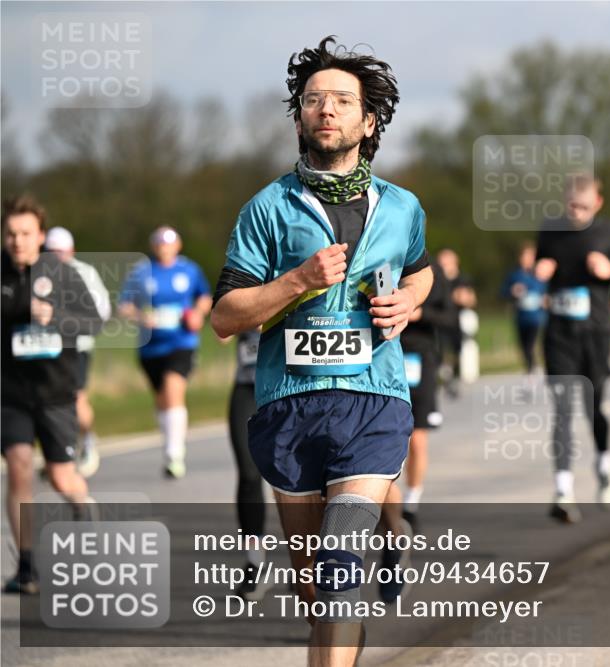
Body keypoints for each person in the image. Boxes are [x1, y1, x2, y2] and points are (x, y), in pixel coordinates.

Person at [210, 36, 432, 667]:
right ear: (299, 118)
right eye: (312, 100)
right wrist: (298, 281)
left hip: (373, 402)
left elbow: (421, 272)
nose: (326, 109)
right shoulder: (267, 208)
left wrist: (408, 301)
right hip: (290, 405)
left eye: (341, 100)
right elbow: (225, 317)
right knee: (318, 595)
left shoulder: (403, 208)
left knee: (340, 566)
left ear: (369, 121)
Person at [1, 195, 102, 594]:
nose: (17, 241)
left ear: (40, 235)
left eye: (25, 233)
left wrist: (55, 317)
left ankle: (82, 506)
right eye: (11, 234)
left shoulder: (62, 274)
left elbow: (94, 323)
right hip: (11, 395)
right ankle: (27, 567)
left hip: (57, 393)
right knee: (19, 466)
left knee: (61, 476)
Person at [535, 174, 610, 522]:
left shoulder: (609, 232)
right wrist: (541, 269)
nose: (576, 212)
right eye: (571, 205)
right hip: (559, 333)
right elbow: (540, 264)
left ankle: (604, 463)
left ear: (598, 203)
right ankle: (563, 490)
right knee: (562, 409)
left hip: (596, 332)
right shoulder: (551, 231)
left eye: (584, 206)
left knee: (594, 407)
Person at [119, 226, 212, 479]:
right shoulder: (141, 272)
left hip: (181, 342)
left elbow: (205, 297)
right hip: (150, 347)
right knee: (162, 399)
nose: (164, 248)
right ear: (154, 246)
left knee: (173, 389)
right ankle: (170, 443)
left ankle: (174, 454)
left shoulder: (189, 269)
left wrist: (197, 314)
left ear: (177, 245)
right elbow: (124, 305)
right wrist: (141, 316)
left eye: (169, 243)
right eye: (160, 243)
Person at [43, 226, 111, 478]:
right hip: (42, 350)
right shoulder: (36, 273)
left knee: (76, 399)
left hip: (76, 348)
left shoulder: (84, 273)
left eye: (60, 251)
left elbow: (101, 314)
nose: (56, 256)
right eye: (50, 251)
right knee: (46, 403)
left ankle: (88, 439)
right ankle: (57, 455)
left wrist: (66, 320)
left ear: (71, 250)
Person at [398, 260, 451, 531]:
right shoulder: (378, 255)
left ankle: (410, 504)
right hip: (382, 355)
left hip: (420, 358)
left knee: (417, 440)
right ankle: (383, 504)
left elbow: (449, 317)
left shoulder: (433, 271)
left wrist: (419, 312)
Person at [219, 326, 269, 601]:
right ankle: (255, 562)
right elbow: (222, 333)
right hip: (248, 383)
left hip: (293, 382)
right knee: (249, 474)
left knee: (303, 478)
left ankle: (308, 561)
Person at [436, 248, 477, 395]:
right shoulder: (436, 279)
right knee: (439, 349)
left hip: (456, 321)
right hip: (439, 320)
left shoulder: (462, 280)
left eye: (447, 262)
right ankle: (444, 373)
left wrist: (463, 298)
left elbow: (472, 300)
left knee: (456, 349)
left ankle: (454, 375)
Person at [501, 243, 546, 373]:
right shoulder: (514, 276)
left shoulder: (540, 275)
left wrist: (545, 299)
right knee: (524, 346)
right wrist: (512, 291)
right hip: (521, 317)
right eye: (525, 256)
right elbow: (502, 292)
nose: (527, 259)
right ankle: (530, 368)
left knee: (532, 344)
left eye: (530, 256)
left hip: (537, 317)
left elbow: (548, 291)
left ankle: (534, 367)